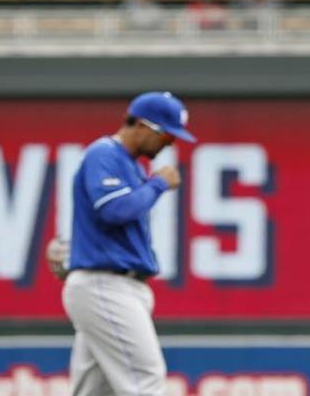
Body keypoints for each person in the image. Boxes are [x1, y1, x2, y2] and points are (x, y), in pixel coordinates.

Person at [63, 92, 196, 396]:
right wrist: (158, 184)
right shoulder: (105, 153)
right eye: (167, 135)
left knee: (95, 391)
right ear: (142, 125)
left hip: (111, 285)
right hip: (105, 286)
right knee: (146, 380)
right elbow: (114, 210)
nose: (170, 143)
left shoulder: (130, 165)